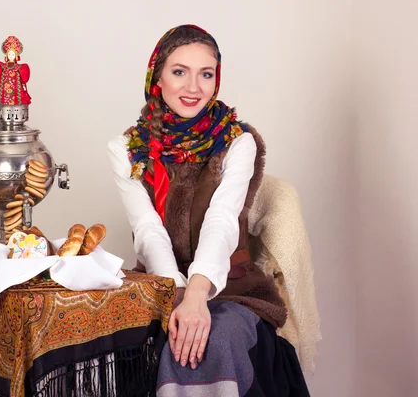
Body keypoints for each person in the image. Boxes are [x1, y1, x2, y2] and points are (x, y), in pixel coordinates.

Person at [107, 24, 310, 396]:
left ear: (217, 80)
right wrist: (180, 296)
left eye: (206, 74)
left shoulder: (238, 141)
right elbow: (147, 229)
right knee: (115, 339)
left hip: (231, 287)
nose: (193, 87)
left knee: (212, 342)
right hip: (160, 283)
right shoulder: (128, 148)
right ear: (157, 78)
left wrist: (199, 295)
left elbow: (222, 221)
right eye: (179, 72)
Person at [0, 35, 32, 105]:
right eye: (10, 54)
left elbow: (23, 79)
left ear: (16, 56)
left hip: (16, 90)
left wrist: (23, 86)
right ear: (7, 55)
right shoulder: (1, 66)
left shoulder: (21, 67)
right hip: (3, 90)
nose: (11, 56)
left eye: (13, 55)